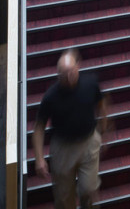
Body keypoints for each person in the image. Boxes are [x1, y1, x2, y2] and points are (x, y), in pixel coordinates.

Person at [33, 50, 108, 209]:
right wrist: (39, 158)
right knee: (64, 197)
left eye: (72, 71)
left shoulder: (90, 84)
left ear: (78, 67)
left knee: (88, 189)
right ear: (58, 74)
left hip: (88, 143)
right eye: (64, 73)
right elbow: (39, 128)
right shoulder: (50, 97)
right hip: (63, 149)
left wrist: (104, 126)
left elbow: (101, 104)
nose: (69, 77)